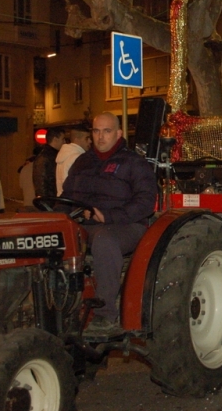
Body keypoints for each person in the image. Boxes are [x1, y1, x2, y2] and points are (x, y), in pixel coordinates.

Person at [61, 112, 158, 336]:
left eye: (107, 131)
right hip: (86, 224)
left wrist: (108, 215)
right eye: (96, 131)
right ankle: (59, 307)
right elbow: (66, 195)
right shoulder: (82, 162)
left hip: (126, 225)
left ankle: (106, 314)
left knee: (105, 241)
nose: (101, 137)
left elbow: (145, 203)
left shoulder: (134, 163)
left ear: (118, 133)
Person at [56, 124, 92, 196]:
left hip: (63, 201)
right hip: (74, 202)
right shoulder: (78, 158)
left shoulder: (64, 155)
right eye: (87, 138)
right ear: (76, 139)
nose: (90, 141)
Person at [33, 127, 65, 198]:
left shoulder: (48, 155)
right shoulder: (47, 157)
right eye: (62, 139)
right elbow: (41, 182)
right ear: (55, 140)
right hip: (50, 200)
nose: (64, 142)